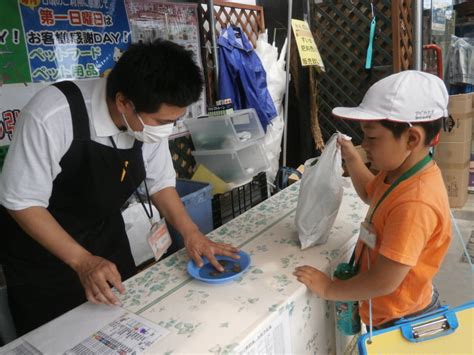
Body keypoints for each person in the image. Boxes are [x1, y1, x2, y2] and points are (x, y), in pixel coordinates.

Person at [0, 39, 239, 336]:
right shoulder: (53, 114)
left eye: (174, 121)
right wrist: (83, 261)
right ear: (124, 102)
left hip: (106, 238)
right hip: (43, 258)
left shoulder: (145, 124)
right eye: (161, 121)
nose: (167, 129)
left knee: (123, 329)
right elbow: (20, 201)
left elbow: (161, 182)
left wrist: (192, 234)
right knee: (59, 339)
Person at [294, 70, 452, 330]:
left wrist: (330, 288)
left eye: (372, 137)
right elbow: (371, 193)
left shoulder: (416, 203)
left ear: (412, 138)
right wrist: (353, 159)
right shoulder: (398, 172)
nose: (364, 144)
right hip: (391, 309)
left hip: (403, 319)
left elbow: (384, 281)